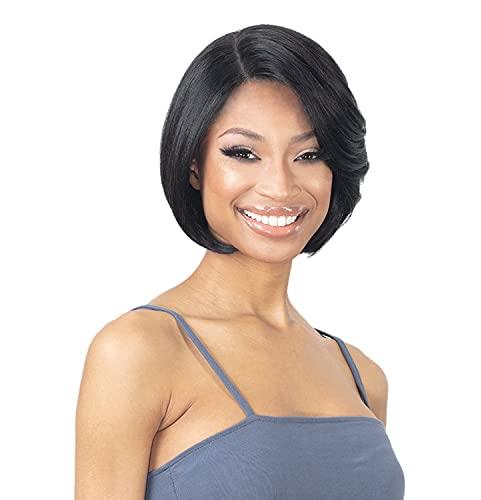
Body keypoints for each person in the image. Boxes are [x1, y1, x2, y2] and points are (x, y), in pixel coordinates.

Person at [75, 23, 405, 499]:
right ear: (194, 165)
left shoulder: (363, 377)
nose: (280, 187)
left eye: (309, 154)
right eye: (244, 153)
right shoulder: (138, 351)